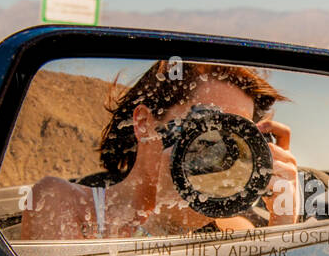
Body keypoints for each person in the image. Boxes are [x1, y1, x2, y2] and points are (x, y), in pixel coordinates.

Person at [19, 60, 296, 240]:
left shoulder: (235, 229)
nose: (220, 151)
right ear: (145, 125)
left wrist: (282, 229)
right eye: (207, 125)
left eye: (235, 136)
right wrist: (164, 226)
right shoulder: (61, 202)